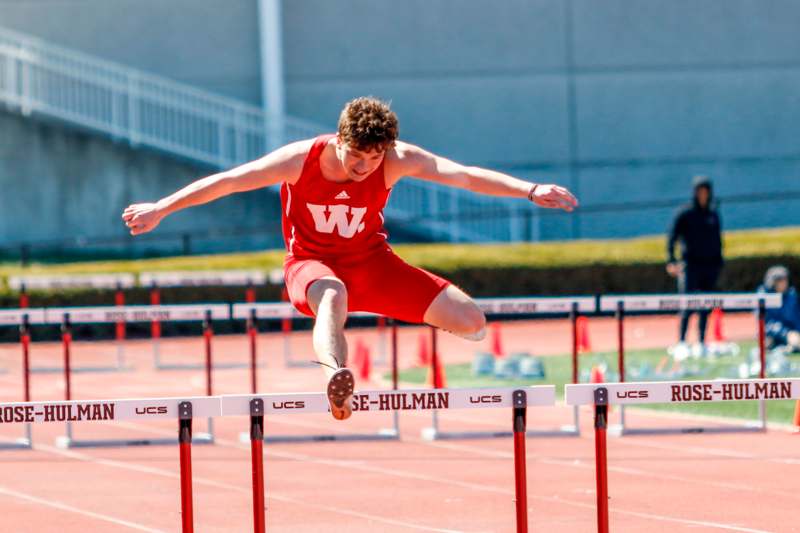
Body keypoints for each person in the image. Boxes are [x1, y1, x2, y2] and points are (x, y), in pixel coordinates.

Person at [122, 96, 578, 419]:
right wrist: (162, 208)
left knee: (472, 321)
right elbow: (229, 181)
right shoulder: (300, 159)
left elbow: (464, 176)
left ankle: (399, 324)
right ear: (339, 140)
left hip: (373, 263)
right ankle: (337, 379)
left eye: (374, 159)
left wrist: (530, 190)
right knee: (332, 295)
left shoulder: (398, 159)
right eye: (357, 157)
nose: (364, 168)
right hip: (311, 265)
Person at [666, 175, 723, 359]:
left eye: (706, 191)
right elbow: (672, 237)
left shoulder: (713, 214)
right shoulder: (685, 213)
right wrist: (671, 260)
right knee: (687, 304)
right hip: (690, 266)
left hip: (710, 266)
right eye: (700, 191)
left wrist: (719, 261)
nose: (703, 195)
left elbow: (718, 240)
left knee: (705, 305)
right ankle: (682, 342)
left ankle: (701, 342)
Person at [759, 266, 800, 353]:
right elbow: (765, 324)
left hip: (791, 333)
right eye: (780, 280)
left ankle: (789, 348)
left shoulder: (792, 296)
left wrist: (796, 334)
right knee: (766, 343)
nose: (783, 283)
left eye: (785, 280)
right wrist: (785, 334)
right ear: (772, 282)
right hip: (773, 335)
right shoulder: (763, 297)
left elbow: (797, 319)